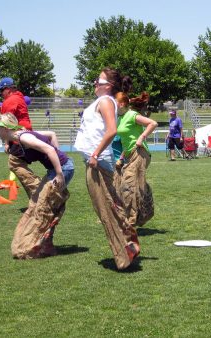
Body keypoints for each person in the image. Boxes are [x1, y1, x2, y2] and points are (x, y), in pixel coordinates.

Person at [74, 67, 139, 270]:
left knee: (108, 207)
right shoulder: (102, 101)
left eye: (98, 81)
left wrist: (94, 154)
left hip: (98, 160)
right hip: (95, 159)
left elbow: (111, 131)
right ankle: (128, 245)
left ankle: (125, 252)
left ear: (108, 86)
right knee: (108, 206)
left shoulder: (105, 101)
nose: (94, 84)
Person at [0, 113, 74, 259]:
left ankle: (42, 245)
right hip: (55, 170)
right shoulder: (19, 137)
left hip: (62, 170)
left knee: (44, 208)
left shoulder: (24, 137)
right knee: (37, 203)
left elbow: (49, 150)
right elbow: (51, 134)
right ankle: (45, 244)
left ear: (5, 128)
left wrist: (59, 172)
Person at [115, 91, 157, 229]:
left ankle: (130, 223)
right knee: (130, 186)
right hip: (129, 154)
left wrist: (142, 137)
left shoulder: (132, 115)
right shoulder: (120, 118)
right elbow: (126, 141)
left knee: (128, 186)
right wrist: (121, 157)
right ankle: (145, 208)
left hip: (140, 152)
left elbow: (152, 123)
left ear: (121, 104)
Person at [0, 77, 41, 198]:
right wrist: (1, 109)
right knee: (16, 164)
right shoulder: (16, 98)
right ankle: (35, 197)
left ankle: (39, 191)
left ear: (8, 89)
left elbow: (7, 123)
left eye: (1, 91)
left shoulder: (10, 101)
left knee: (14, 163)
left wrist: (7, 143)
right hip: (23, 135)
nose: (0, 93)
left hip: (19, 137)